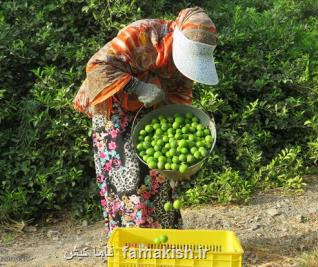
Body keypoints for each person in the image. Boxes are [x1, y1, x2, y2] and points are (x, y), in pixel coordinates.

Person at [72, 7, 218, 236]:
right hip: (115, 108)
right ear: (176, 39)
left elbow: (178, 98)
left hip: (153, 115)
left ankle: (164, 237)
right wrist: (137, 87)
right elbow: (97, 67)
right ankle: (133, 241)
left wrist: (186, 164)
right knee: (128, 180)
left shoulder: (184, 65)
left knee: (159, 177)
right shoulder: (142, 34)